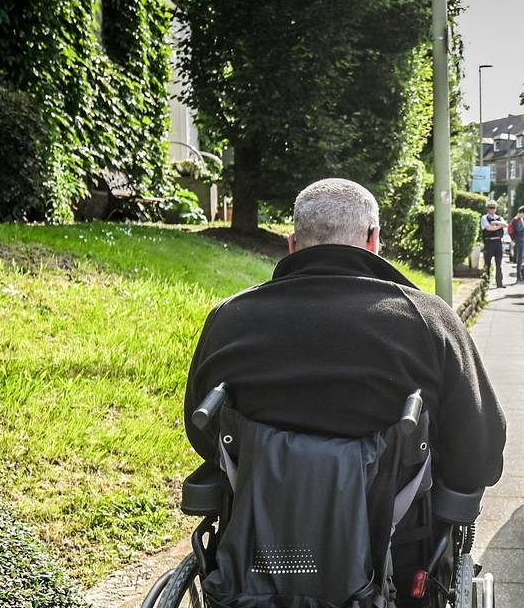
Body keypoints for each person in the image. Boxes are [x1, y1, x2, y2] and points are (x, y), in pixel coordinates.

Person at [184, 178, 506, 495]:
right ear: (373, 239)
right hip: (398, 539)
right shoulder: (430, 321)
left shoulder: (230, 317)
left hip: (253, 533)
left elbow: (204, 432)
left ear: (293, 244)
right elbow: (480, 456)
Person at [480, 202, 506, 288]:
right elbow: (488, 228)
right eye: (490, 207)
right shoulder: (484, 218)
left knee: (499, 264)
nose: (492, 209)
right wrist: (499, 225)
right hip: (489, 242)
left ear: (496, 209)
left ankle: (499, 283)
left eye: (493, 207)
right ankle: (486, 283)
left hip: (498, 242)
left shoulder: (499, 218)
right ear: (487, 209)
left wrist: (495, 223)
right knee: (487, 264)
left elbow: (505, 225)